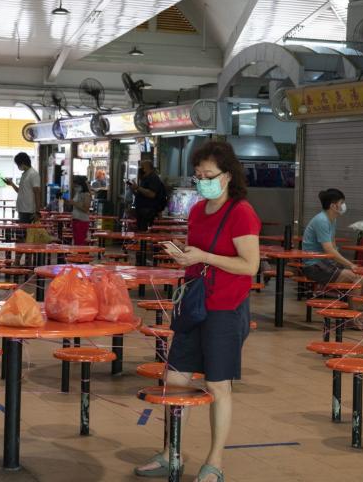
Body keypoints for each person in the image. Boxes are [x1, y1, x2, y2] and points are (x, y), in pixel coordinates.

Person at [138, 141, 260, 481]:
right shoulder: (197, 210)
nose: (202, 180)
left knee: (217, 384)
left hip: (225, 309)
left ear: (228, 175)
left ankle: (214, 462)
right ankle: (170, 451)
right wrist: (185, 257)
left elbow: (250, 265)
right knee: (175, 378)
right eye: (198, 175)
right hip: (194, 305)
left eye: (208, 174)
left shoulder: (241, 212)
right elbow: (199, 256)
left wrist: (203, 257)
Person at [301, 188, 363, 302]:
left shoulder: (332, 219)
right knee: (357, 279)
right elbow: (329, 250)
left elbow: (333, 246)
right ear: (333, 206)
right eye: (341, 203)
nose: (343, 205)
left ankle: (347, 308)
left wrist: (345, 265)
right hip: (313, 266)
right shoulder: (322, 220)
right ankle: (351, 317)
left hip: (325, 263)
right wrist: (350, 264)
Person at [5, 152, 42, 225]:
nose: (18, 166)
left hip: (29, 210)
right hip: (22, 209)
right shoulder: (24, 174)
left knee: (26, 234)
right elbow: (20, 191)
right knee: (22, 234)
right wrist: (11, 184)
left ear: (22, 163)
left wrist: (37, 212)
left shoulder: (33, 174)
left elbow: (37, 193)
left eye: (18, 164)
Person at [130, 159, 166, 231]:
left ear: (148, 168)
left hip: (148, 213)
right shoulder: (145, 179)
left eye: (143, 167)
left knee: (145, 234)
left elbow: (152, 194)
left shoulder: (153, 178)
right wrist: (133, 189)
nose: (141, 169)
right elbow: (141, 194)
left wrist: (138, 187)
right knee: (140, 233)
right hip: (142, 212)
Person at [64, 175, 92, 245]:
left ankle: (81, 255)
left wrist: (74, 203)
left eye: (76, 186)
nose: (75, 188)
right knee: (76, 241)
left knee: (80, 241)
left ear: (81, 185)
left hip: (82, 220)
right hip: (75, 219)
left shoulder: (86, 195)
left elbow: (86, 209)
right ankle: (78, 254)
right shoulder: (77, 194)